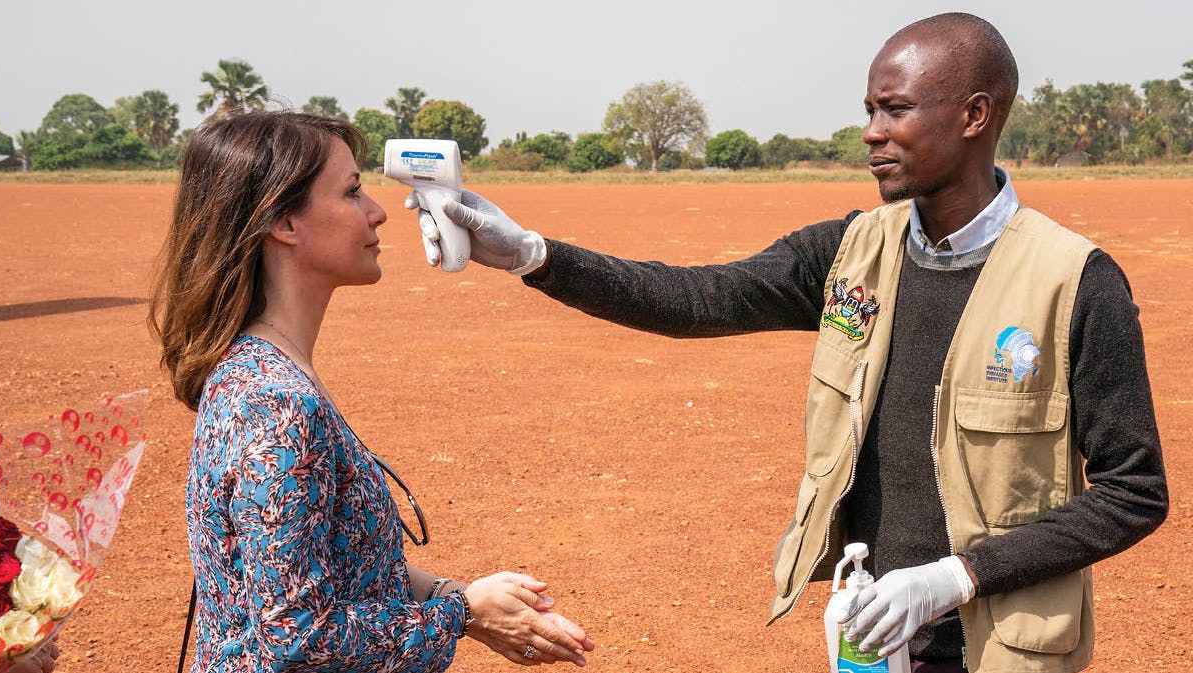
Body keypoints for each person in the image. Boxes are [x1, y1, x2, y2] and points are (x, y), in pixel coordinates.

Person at [406, 13, 1167, 673]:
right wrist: (531, 254)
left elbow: (1135, 491)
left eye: (895, 109)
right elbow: (695, 298)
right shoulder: (850, 254)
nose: (871, 132)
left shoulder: (1074, 280)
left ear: (974, 114)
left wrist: (957, 576)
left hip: (999, 647)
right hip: (872, 636)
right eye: (869, 109)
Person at [148, 111, 595, 673]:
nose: (379, 211)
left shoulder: (259, 371)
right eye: (353, 192)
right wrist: (462, 613)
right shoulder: (277, 404)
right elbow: (297, 638)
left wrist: (461, 596)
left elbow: (340, 562)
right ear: (283, 221)